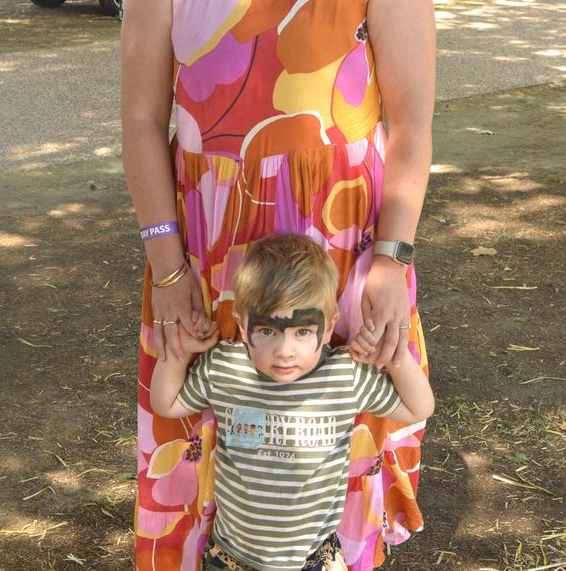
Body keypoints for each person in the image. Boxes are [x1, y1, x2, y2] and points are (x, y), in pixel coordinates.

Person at [121, 0, 435, 570]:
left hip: (337, 267)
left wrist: (391, 261)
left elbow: (410, 131)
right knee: (203, 467)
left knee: (324, 490)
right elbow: (146, 125)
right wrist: (169, 270)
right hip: (203, 265)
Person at [150, 234, 435, 571]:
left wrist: (391, 357)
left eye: (302, 332)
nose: (284, 350)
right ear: (242, 324)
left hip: (314, 561)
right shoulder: (225, 367)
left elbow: (419, 408)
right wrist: (179, 354)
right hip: (232, 558)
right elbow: (166, 404)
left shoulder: (345, 375)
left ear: (329, 328)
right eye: (268, 331)